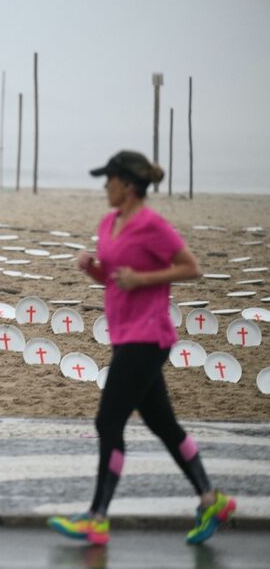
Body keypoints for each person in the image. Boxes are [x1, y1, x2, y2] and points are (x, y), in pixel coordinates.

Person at [48, 150, 236, 546]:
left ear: (128, 185)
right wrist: (92, 268)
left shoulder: (153, 225)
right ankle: (211, 499)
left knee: (108, 422)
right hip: (124, 335)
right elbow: (115, 279)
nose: (105, 187)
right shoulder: (107, 223)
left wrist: (145, 278)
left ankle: (97, 517)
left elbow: (191, 267)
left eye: (109, 180)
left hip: (148, 338)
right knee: (163, 425)